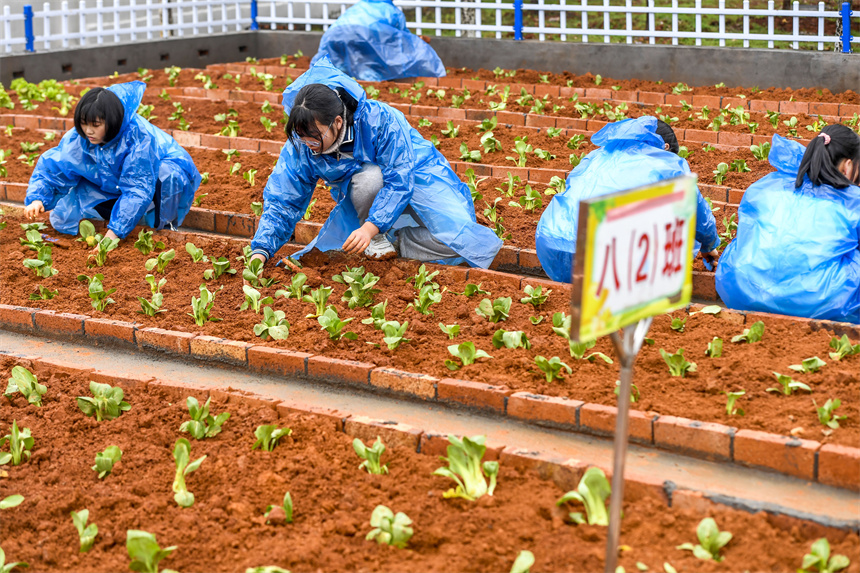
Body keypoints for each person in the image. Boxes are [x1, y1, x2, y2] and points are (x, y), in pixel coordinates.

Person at [249, 56, 502, 270]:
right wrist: (261, 250)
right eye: (303, 138)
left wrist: (369, 228)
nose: (309, 145)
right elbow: (284, 199)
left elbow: (400, 177)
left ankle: (396, 242)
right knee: (369, 179)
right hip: (369, 196)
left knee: (460, 239)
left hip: (418, 175)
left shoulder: (379, 119)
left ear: (338, 123)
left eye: (315, 137)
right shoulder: (302, 144)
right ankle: (382, 241)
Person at [534, 117, 719, 283]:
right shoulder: (666, 163)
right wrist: (708, 245)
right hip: (606, 265)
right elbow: (696, 210)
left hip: (552, 249)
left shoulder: (596, 155)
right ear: (666, 148)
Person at [23, 81, 200, 242]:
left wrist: (113, 234)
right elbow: (54, 168)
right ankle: (120, 217)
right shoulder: (80, 138)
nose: (88, 131)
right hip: (116, 180)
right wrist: (38, 199)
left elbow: (137, 189)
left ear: (111, 122)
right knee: (76, 195)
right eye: (84, 124)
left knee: (167, 176)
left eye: (96, 125)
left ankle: (161, 227)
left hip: (158, 174)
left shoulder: (138, 138)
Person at [716, 127, 860, 323]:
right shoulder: (854, 201)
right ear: (848, 166)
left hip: (742, 293)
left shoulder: (769, 184)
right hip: (822, 305)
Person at [310, 0, 445, 81]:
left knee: (339, 66)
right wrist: (420, 41)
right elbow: (403, 42)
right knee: (367, 67)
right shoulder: (393, 12)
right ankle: (368, 84)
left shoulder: (359, 6)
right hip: (363, 36)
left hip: (334, 34)